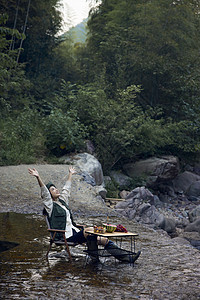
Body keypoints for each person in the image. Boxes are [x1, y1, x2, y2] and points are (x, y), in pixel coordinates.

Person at [28, 166, 141, 264]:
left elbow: (66, 189)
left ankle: (127, 258)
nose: (56, 190)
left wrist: (70, 174)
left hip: (75, 233)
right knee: (89, 231)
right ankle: (95, 258)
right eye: (53, 189)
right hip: (65, 236)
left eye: (56, 188)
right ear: (49, 193)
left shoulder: (62, 202)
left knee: (103, 240)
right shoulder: (50, 206)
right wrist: (38, 177)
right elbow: (44, 193)